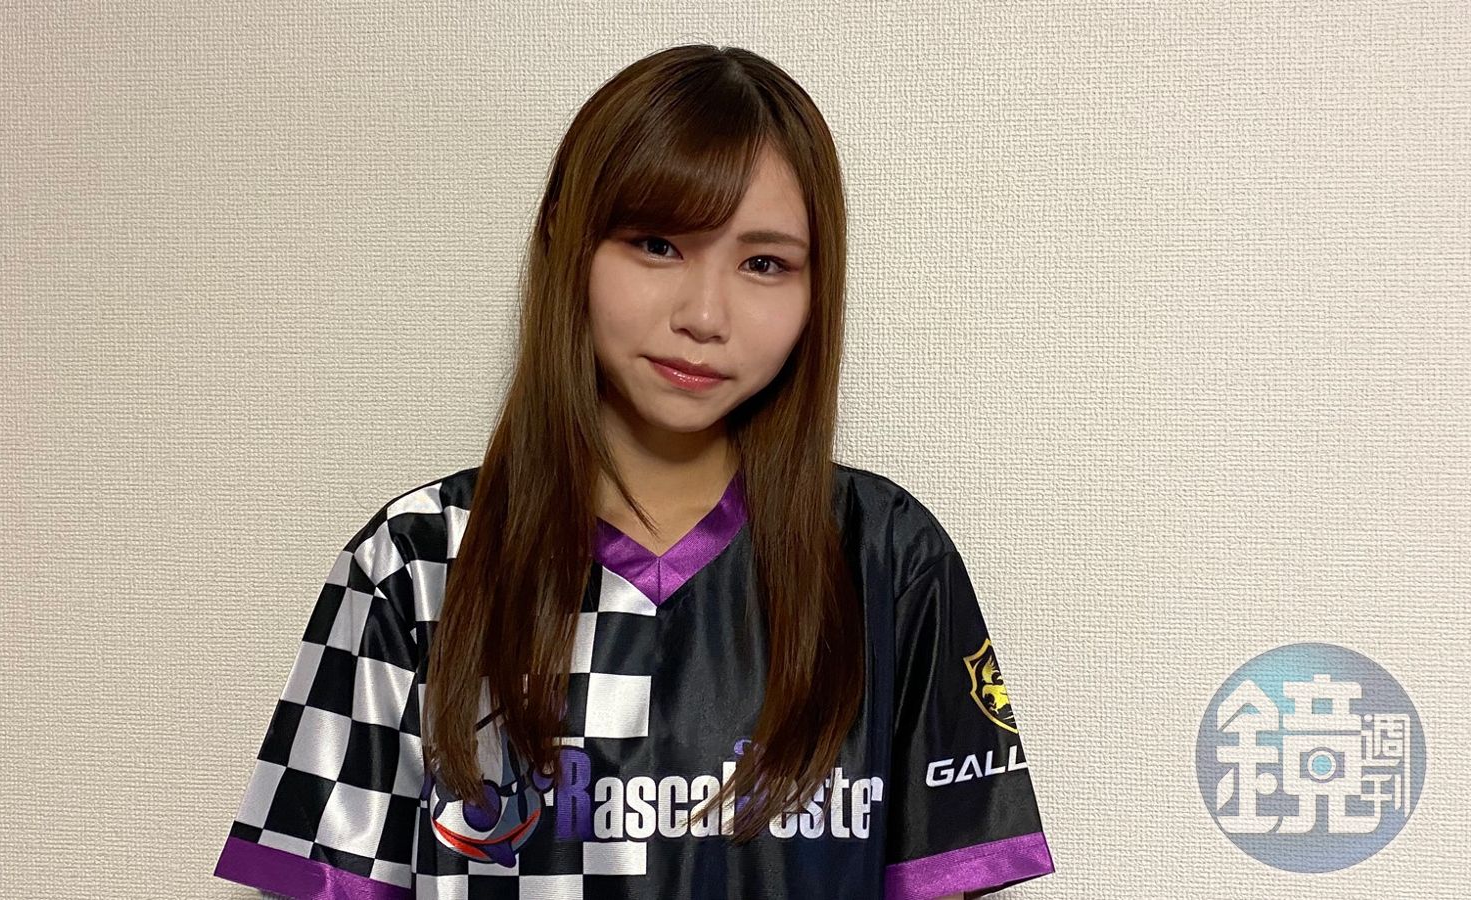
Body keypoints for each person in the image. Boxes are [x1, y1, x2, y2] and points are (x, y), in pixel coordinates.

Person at [213, 43, 1054, 900]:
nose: (704, 314)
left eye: (764, 263)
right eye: (657, 244)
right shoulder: (416, 562)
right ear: (565, 241)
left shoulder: (886, 559)